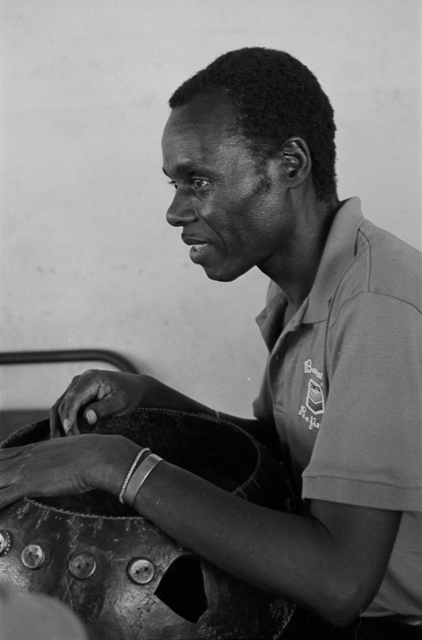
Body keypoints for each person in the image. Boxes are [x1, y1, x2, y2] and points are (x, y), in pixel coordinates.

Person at [0, 48, 421, 639]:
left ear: (290, 164)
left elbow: (339, 582)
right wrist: (155, 399)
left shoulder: (378, 308)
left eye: (198, 180)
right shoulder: (302, 289)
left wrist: (113, 463)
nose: (175, 212)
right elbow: (291, 458)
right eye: (175, 183)